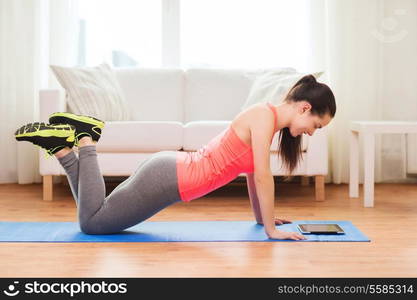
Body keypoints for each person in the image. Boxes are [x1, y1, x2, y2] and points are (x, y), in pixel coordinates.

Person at [14, 74, 336, 240]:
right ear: (304, 107)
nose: (312, 131)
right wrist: (271, 231)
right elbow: (264, 176)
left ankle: (61, 147)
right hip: (170, 179)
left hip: (169, 172)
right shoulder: (263, 117)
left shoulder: (264, 119)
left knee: (94, 215)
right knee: (93, 224)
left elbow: (252, 175)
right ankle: (86, 140)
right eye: (316, 125)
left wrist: (262, 220)